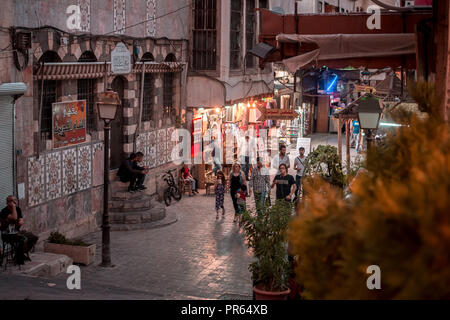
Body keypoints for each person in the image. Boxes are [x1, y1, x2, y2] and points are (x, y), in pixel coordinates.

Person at [0, 196, 38, 265]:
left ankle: (19, 254)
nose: (14, 202)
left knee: (33, 237)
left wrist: (21, 221)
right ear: (7, 203)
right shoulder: (4, 211)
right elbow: (14, 218)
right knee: (22, 239)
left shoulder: (18, 209)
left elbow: (20, 220)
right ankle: (19, 258)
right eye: (11, 201)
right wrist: (13, 207)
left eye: (15, 200)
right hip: (7, 234)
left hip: (16, 232)